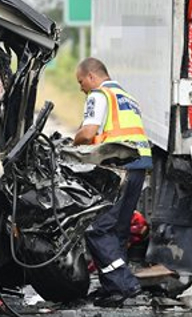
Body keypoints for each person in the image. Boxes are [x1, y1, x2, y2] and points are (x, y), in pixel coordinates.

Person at [73, 57, 152, 308]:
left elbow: (88, 132)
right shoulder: (127, 97)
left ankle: (124, 285)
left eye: (81, 81)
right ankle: (112, 288)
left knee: (97, 229)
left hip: (118, 169)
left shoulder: (99, 95)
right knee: (117, 230)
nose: (81, 88)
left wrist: (71, 143)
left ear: (92, 77)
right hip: (138, 167)